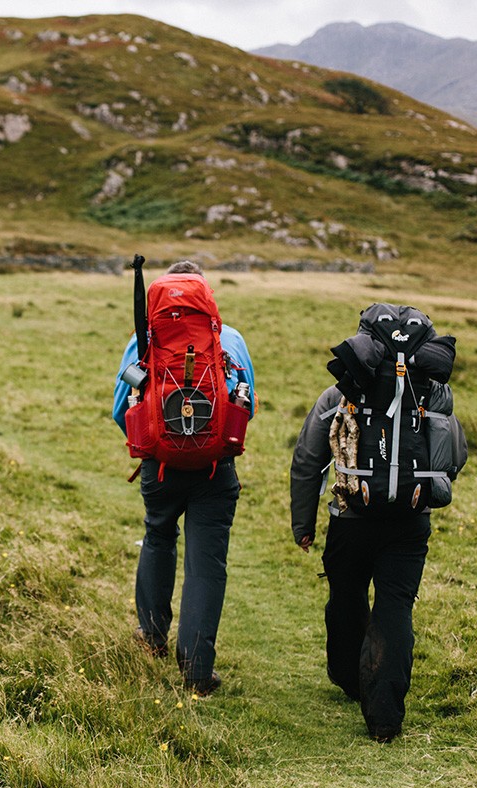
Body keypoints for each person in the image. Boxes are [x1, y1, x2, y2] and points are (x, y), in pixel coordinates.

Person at [289, 303, 458, 743]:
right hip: (409, 522)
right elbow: (454, 456)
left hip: (350, 519)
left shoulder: (340, 394)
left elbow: (308, 460)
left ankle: (349, 679)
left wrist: (302, 523)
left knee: (345, 598)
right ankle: (384, 719)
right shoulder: (435, 394)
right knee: (394, 610)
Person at [112, 260, 255, 696]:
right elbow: (245, 406)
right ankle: (196, 671)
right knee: (205, 565)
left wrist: (156, 444)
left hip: (160, 467)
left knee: (158, 537)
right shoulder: (228, 339)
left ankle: (152, 637)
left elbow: (122, 409)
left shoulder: (143, 339)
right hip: (215, 468)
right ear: (206, 295)